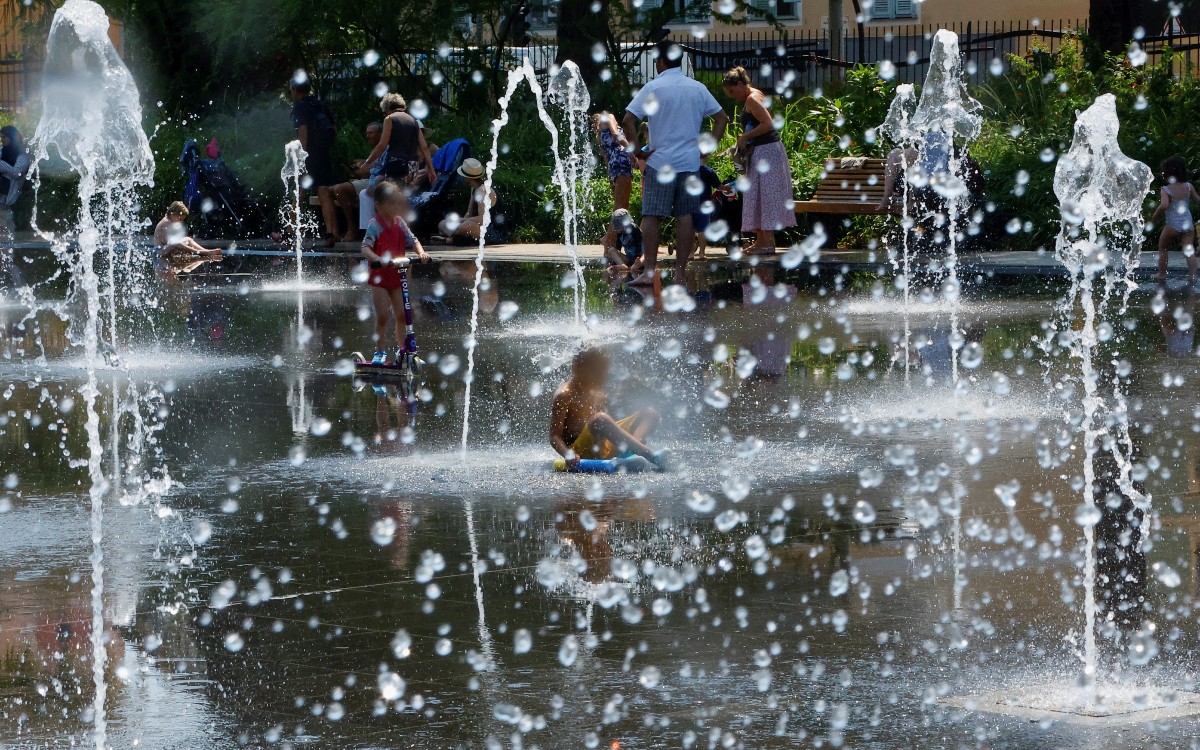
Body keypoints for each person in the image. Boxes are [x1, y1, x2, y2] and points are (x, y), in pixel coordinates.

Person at [623, 40, 728, 286]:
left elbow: (628, 120)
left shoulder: (653, 87)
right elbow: (722, 119)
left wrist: (639, 151)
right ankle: (680, 274)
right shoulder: (697, 88)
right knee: (685, 217)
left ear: (660, 61)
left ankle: (649, 272)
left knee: (651, 216)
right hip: (690, 164)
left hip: (660, 163)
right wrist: (707, 148)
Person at [721, 66, 795, 254]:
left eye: (732, 91)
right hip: (763, 151)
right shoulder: (755, 95)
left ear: (740, 84)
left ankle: (767, 243)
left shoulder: (753, 99)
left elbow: (768, 124)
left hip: (767, 152)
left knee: (765, 194)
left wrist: (745, 137)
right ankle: (761, 241)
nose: (731, 96)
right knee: (759, 193)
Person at [550, 347, 661, 469]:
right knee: (600, 419)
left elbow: (609, 428)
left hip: (602, 447)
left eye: (603, 371)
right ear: (576, 368)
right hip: (579, 452)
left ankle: (634, 449)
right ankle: (649, 455)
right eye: (595, 371)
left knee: (649, 413)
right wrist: (568, 454)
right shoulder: (565, 394)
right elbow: (555, 436)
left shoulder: (598, 394)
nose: (601, 376)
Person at [361, 181, 431, 365]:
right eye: (391, 204)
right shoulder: (375, 225)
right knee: (383, 315)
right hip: (380, 277)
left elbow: (413, 239)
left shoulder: (400, 222)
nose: (396, 207)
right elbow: (365, 248)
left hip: (398, 276)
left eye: (398, 203)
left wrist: (421, 252)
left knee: (403, 315)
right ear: (379, 205)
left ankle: (404, 350)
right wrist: (377, 258)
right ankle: (380, 351)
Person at [289, 78, 340, 246]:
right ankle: (330, 234)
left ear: (296, 89)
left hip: (309, 155)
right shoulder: (321, 104)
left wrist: (300, 158)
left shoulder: (300, 107)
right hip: (324, 154)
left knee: (299, 192)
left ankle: (289, 232)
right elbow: (334, 129)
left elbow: (303, 134)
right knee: (324, 193)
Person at [362, 93, 436, 190]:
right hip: (413, 165)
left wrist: (368, 162)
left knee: (392, 197)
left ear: (388, 108)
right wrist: (431, 170)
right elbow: (424, 147)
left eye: (384, 112)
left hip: (396, 164)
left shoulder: (389, 119)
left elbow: (382, 145)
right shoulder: (413, 121)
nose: (385, 114)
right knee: (408, 196)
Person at [332, 121, 383, 244]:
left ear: (381, 134)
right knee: (328, 191)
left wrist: (363, 166)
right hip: (371, 180)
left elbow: (369, 171)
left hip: (380, 180)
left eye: (371, 133)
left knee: (340, 189)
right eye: (366, 133)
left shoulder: (384, 147)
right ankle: (334, 233)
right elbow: (365, 171)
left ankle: (352, 229)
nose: (367, 136)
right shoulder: (375, 149)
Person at [1152, 154, 1199, 286]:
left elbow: (1164, 205)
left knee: (1163, 247)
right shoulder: (1189, 186)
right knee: (1189, 250)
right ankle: (1193, 276)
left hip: (1172, 225)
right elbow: (1197, 199)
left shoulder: (1166, 189)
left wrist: (1156, 216)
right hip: (1187, 224)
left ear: (1167, 173)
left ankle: (1161, 274)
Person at [436, 158, 499, 245]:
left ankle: (451, 239)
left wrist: (462, 221)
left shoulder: (483, 190)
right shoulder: (474, 187)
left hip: (491, 230)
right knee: (443, 224)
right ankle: (457, 237)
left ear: (468, 177)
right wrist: (459, 221)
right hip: (474, 225)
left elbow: (483, 219)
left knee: (464, 226)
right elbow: (469, 213)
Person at [593, 111, 633, 213]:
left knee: (620, 203)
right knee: (622, 206)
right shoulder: (609, 116)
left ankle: (619, 228)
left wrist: (611, 181)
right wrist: (632, 153)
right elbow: (616, 134)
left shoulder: (601, 136)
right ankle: (615, 229)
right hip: (622, 160)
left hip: (614, 166)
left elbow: (607, 160)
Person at [154, 201, 221, 260]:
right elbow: (169, 242)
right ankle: (200, 252)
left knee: (187, 239)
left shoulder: (170, 221)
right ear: (173, 213)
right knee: (176, 243)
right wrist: (181, 249)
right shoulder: (166, 222)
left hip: (166, 248)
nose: (180, 222)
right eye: (179, 219)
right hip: (159, 251)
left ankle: (205, 250)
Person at [603, 209, 645, 282]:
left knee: (645, 257)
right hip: (629, 259)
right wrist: (614, 262)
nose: (621, 230)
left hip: (638, 258)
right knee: (611, 250)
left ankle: (636, 265)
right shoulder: (620, 233)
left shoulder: (634, 229)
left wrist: (640, 260)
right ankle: (622, 265)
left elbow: (643, 246)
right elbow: (617, 248)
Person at [0, 125, 29, 212]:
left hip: (10, 197)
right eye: (1, 137)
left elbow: (17, 173)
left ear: (11, 137)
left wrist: (3, 165)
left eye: (4, 137)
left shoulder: (22, 155)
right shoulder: (3, 149)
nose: (2, 140)